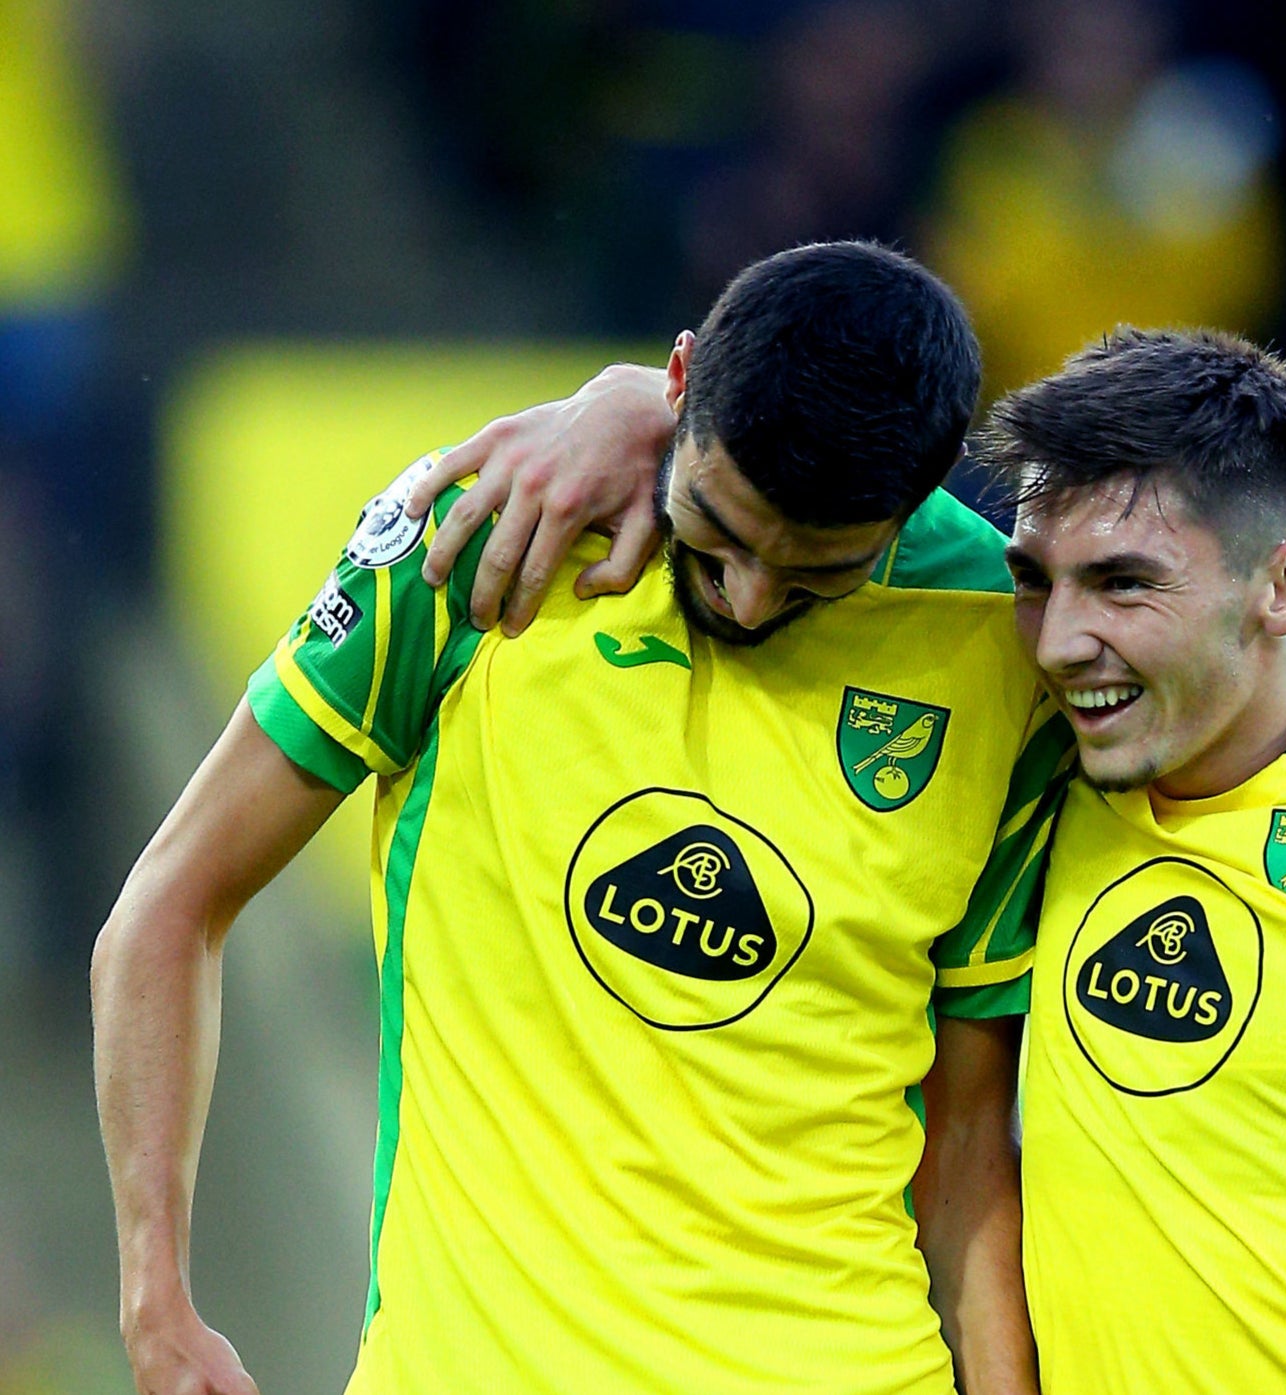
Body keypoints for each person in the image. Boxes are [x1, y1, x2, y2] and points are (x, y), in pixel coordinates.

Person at [421, 327, 1286, 1395]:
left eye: (1124, 583)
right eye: (1036, 578)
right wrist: (638, 400)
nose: (1061, 637)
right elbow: (807, 383)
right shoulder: (1033, 772)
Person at [92, 242, 1062, 1395]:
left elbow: (963, 1160)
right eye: (719, 528)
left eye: (817, 575)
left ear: (925, 488)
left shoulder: (1003, 650)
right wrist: (155, 1297)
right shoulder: (484, 540)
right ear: (680, 379)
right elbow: (169, 906)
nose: (747, 595)